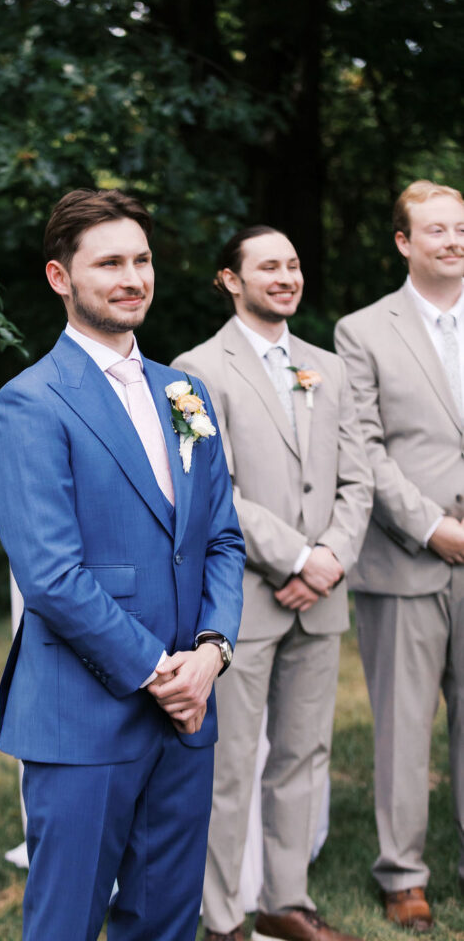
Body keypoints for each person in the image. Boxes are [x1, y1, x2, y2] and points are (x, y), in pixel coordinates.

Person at [0, 188, 246, 941]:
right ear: (60, 277)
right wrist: (161, 672)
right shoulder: (28, 404)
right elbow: (51, 577)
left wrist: (209, 654)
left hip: (189, 711)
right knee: (66, 923)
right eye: (109, 263)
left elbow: (220, 539)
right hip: (84, 713)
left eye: (141, 259)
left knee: (166, 921)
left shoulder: (183, 391)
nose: (132, 277)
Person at [172, 226, 373, 941]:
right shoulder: (195, 369)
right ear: (230, 279)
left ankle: (285, 901)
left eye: (292, 264)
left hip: (320, 599)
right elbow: (210, 490)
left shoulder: (326, 366)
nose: (285, 276)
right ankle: (222, 917)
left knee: (303, 754)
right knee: (229, 764)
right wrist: (295, 558)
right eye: (268, 266)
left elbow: (357, 476)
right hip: (243, 601)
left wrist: (330, 560)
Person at [335, 180, 464, 933]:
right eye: (437, 229)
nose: (453, 240)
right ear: (402, 243)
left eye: (461, 227)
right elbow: (363, 446)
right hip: (404, 557)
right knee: (403, 725)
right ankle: (402, 874)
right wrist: (431, 529)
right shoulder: (362, 330)